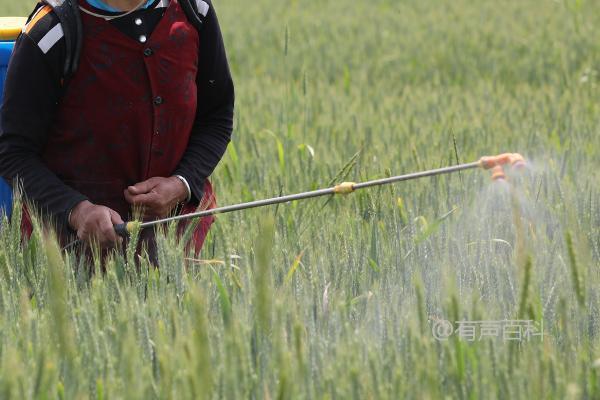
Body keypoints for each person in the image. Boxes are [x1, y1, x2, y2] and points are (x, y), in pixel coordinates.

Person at [0, 0, 234, 257]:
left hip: (179, 248)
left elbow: (216, 117)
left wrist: (182, 184)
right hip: (71, 253)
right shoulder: (52, 30)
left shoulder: (194, 10)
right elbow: (14, 152)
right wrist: (77, 211)